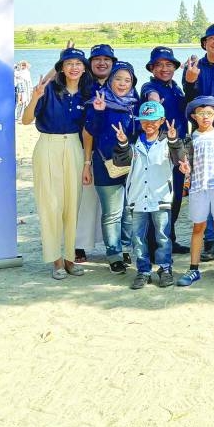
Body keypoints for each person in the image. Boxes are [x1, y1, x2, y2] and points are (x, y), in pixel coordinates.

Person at [22, 47, 92, 280]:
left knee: (72, 204)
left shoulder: (87, 93)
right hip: (47, 145)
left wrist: (87, 163)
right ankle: (56, 260)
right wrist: (35, 97)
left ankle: (70, 258)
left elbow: (87, 132)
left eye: (78, 63)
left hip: (74, 146)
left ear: (84, 68)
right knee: (50, 205)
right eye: (69, 63)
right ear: (61, 68)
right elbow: (26, 120)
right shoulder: (49, 90)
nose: (74, 67)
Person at [111, 101, 183, 289]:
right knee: (138, 238)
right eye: (144, 121)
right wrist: (122, 143)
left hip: (160, 197)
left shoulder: (168, 142)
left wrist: (174, 140)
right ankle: (143, 271)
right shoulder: (133, 142)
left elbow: (179, 159)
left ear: (162, 121)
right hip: (137, 198)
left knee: (163, 236)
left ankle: (165, 269)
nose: (149, 124)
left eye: (153, 121)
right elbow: (120, 162)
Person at [83, 61, 140, 273]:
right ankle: (114, 254)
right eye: (118, 79)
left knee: (128, 211)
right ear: (109, 80)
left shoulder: (135, 104)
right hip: (106, 164)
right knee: (112, 213)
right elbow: (90, 131)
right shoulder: (99, 101)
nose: (122, 84)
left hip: (131, 164)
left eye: (127, 80)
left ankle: (125, 248)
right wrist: (98, 112)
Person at [175, 96, 214, 287]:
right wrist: (185, 170)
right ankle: (193, 268)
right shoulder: (189, 140)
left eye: (209, 113)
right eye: (201, 113)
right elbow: (187, 167)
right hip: (198, 189)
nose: (205, 117)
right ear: (194, 116)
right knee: (198, 228)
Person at [140, 46, 189, 255]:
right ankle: (154, 245)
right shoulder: (149, 86)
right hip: (159, 148)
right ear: (152, 68)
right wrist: (154, 103)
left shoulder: (176, 87)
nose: (164, 68)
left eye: (169, 64)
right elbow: (151, 96)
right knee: (159, 197)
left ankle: (170, 239)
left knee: (176, 196)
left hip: (178, 147)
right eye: (159, 65)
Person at [73, 43, 116, 264]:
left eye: (106, 59)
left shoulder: (119, 83)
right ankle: (79, 244)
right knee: (86, 199)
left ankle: (114, 245)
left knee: (113, 202)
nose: (102, 63)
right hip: (86, 148)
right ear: (90, 63)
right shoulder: (82, 85)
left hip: (113, 150)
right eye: (97, 59)